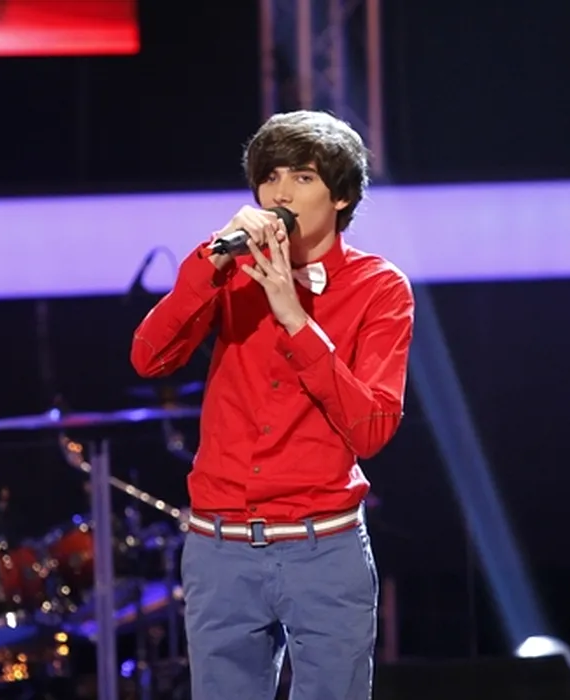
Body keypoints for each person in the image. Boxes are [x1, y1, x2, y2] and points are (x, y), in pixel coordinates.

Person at [130, 110, 415, 700]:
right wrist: (210, 263)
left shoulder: (380, 288)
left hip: (324, 548)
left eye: (302, 177)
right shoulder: (228, 272)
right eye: (270, 177)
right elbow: (148, 358)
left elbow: (372, 429)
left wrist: (295, 320)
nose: (280, 194)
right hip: (220, 548)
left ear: (340, 196)